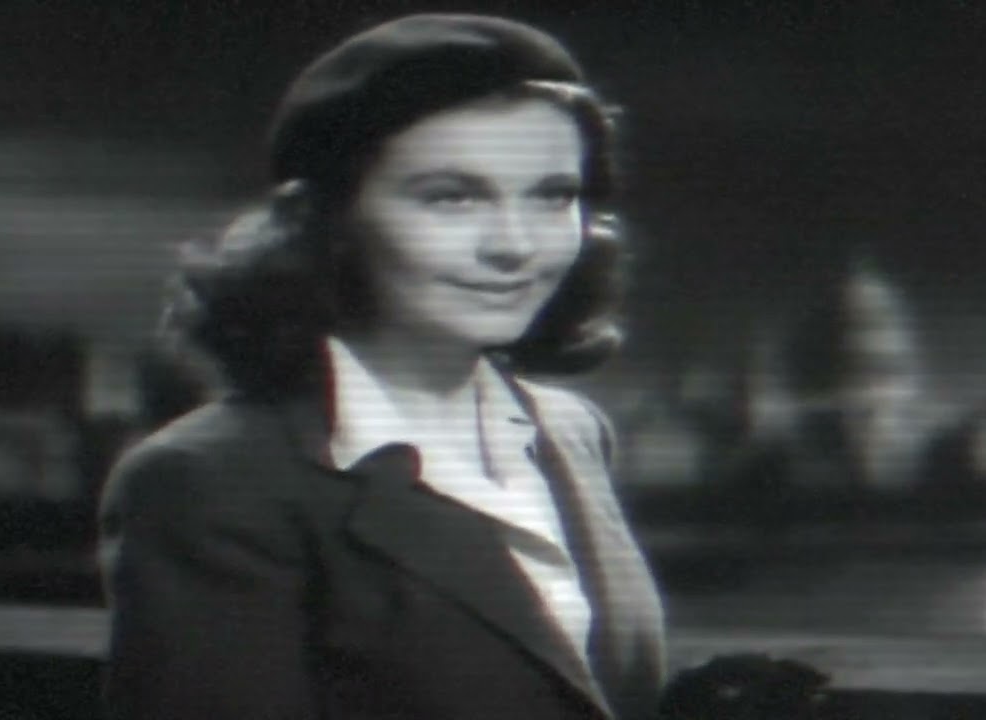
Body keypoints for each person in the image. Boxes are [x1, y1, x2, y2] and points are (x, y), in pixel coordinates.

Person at [97, 13, 666, 720]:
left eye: (553, 195)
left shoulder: (572, 431)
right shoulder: (207, 482)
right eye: (451, 198)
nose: (516, 245)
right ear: (329, 220)